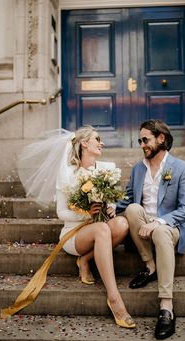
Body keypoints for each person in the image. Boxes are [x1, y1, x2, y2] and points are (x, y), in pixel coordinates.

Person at [116, 119, 185, 339]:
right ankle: (150, 266)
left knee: (160, 231)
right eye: (140, 140)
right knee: (132, 209)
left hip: (169, 226)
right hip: (143, 226)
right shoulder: (138, 169)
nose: (142, 144)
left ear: (161, 139)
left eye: (146, 139)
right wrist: (111, 207)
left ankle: (166, 306)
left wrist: (158, 222)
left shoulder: (182, 169)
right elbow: (128, 199)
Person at [56, 125, 135, 329]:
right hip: (75, 233)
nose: (102, 143)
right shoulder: (68, 173)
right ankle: (114, 297)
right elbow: (61, 212)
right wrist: (84, 214)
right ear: (84, 144)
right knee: (102, 229)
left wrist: (110, 209)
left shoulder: (107, 168)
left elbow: (112, 201)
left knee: (122, 223)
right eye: (97, 139)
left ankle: (85, 260)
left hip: (100, 226)